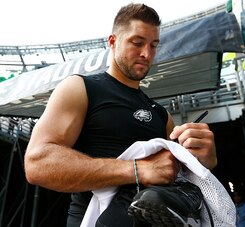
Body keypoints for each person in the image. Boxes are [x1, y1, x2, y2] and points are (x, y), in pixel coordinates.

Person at [24, 3, 217, 227]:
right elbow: (37, 163)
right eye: (137, 43)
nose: (147, 54)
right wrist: (137, 169)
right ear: (113, 42)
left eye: (154, 46)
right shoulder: (81, 88)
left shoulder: (162, 115)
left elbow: (175, 177)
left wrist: (204, 160)